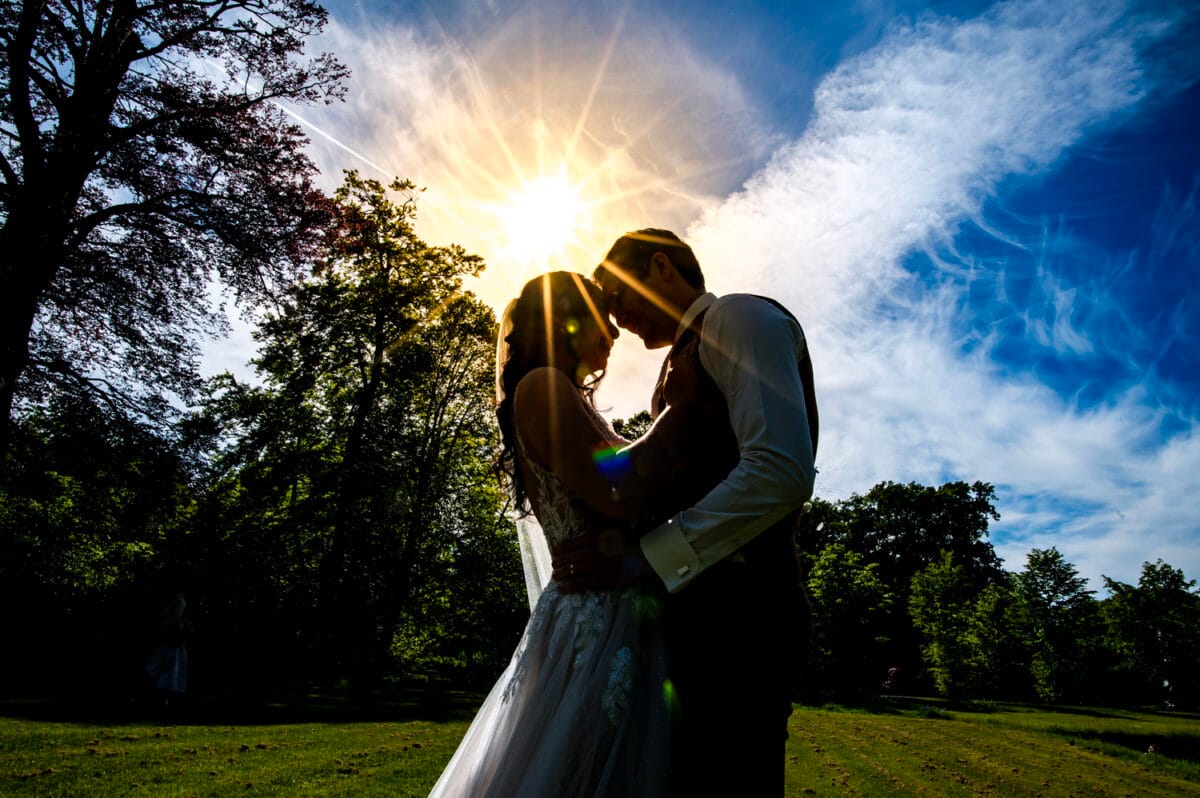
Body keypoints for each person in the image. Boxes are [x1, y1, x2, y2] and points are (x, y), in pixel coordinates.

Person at [553, 229, 819, 795]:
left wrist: (644, 559)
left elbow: (779, 470)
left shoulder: (739, 318)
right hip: (691, 612)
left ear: (660, 267)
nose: (617, 320)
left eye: (616, 295)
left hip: (745, 616)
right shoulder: (680, 361)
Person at [429, 271, 697, 797]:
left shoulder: (567, 395)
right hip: (596, 618)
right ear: (564, 320)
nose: (615, 336)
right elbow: (618, 493)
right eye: (603, 320)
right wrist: (679, 414)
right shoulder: (543, 387)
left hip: (613, 607)